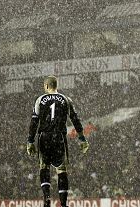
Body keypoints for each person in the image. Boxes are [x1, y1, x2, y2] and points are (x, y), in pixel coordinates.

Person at [26, 76, 89, 207]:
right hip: (59, 136)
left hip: (44, 136)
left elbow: (34, 122)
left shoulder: (40, 100)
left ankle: (47, 198)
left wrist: (30, 141)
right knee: (61, 169)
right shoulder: (66, 100)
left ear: (47, 86)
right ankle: (64, 203)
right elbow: (75, 120)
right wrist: (82, 139)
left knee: (44, 166)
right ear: (56, 85)